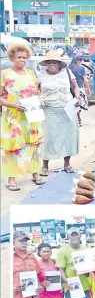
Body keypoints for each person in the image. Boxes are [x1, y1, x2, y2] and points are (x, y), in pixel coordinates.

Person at [0, 44, 44, 191]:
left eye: (25, 58)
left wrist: (39, 103)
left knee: (34, 144)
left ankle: (35, 173)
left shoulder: (31, 74)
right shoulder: (5, 74)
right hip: (13, 117)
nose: (22, 60)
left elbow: (37, 93)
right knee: (13, 146)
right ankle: (11, 178)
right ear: (12, 57)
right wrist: (13, 105)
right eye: (19, 57)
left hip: (31, 117)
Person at [38, 51, 81, 175]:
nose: (51, 65)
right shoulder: (41, 75)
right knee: (48, 137)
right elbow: (35, 90)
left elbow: (75, 87)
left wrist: (77, 98)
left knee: (68, 136)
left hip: (67, 109)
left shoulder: (67, 72)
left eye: (54, 62)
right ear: (46, 64)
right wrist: (38, 100)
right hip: (49, 110)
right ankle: (45, 166)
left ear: (59, 64)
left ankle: (67, 164)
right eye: (49, 62)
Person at [56, 228, 91, 298]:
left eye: (77, 235)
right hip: (71, 286)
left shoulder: (86, 249)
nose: (75, 237)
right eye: (72, 235)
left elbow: (91, 266)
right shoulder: (62, 251)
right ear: (68, 237)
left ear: (80, 236)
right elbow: (61, 270)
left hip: (86, 285)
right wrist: (66, 282)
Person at [12, 231, 44, 298]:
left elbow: (37, 273)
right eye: (20, 241)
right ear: (13, 242)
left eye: (25, 241)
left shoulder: (32, 256)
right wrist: (12, 288)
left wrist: (39, 285)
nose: (24, 243)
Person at [68, 56, 90, 127]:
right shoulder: (81, 68)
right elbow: (85, 80)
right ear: (79, 61)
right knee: (78, 104)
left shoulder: (69, 68)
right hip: (79, 88)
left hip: (69, 89)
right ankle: (79, 119)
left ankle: (75, 119)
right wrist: (88, 88)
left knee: (71, 105)